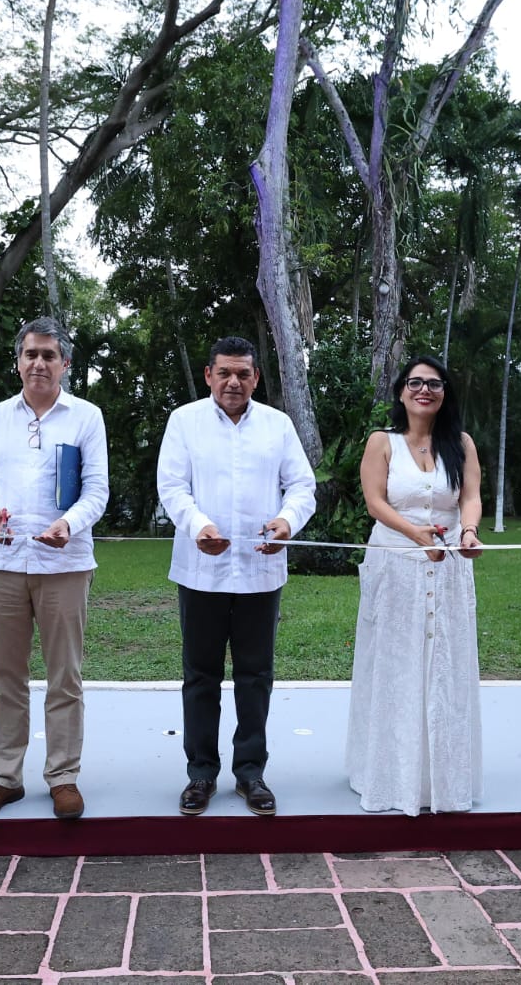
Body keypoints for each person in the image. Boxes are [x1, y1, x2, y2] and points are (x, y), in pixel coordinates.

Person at [156, 336, 316, 816]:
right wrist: (198, 526)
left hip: (260, 572)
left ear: (256, 378)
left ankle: (251, 773)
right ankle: (201, 773)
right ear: (208, 375)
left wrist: (287, 521)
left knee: (255, 676)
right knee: (200, 676)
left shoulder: (277, 425)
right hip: (200, 569)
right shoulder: (184, 422)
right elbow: (171, 485)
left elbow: (303, 485)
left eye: (243, 374)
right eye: (224, 372)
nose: (233, 382)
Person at [0, 317, 109, 821]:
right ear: (18, 362)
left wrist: (68, 523)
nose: (39, 363)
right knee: (7, 676)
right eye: (31, 355)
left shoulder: (86, 417)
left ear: (65, 364)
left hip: (64, 562)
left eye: (49, 355)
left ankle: (63, 776)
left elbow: (97, 491)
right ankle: (4, 777)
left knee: (65, 675)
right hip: (2, 561)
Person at [347, 356, 484, 815]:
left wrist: (468, 533)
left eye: (434, 383)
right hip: (397, 566)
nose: (424, 390)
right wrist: (414, 534)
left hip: (448, 568)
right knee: (396, 661)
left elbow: (470, 497)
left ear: (445, 392)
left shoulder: (460, 444)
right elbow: (374, 502)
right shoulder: (382, 442)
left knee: (445, 663)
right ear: (402, 392)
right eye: (415, 383)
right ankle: (387, 774)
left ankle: (441, 779)